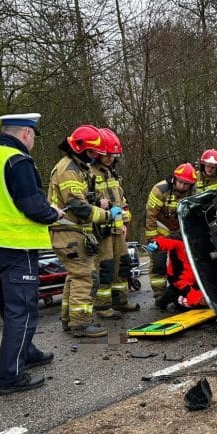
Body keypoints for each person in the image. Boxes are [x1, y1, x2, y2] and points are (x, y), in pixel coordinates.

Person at [0, 113, 64, 395]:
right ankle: (10, 377)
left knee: (10, 305)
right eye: (33, 137)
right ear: (26, 134)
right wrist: (52, 213)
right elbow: (32, 206)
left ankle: (27, 352)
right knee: (23, 310)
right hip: (16, 245)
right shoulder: (17, 161)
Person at [48, 125, 119, 338]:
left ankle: (69, 319)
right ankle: (80, 323)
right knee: (86, 276)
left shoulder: (77, 167)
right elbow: (77, 205)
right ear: (80, 149)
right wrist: (106, 215)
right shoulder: (69, 169)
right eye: (92, 152)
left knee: (76, 275)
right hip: (69, 232)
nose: (95, 156)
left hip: (68, 231)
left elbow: (82, 198)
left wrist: (97, 200)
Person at [90, 127, 139, 319]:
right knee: (106, 267)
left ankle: (120, 301)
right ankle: (103, 306)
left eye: (113, 155)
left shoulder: (112, 173)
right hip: (101, 230)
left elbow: (121, 201)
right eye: (107, 155)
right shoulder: (90, 173)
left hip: (118, 229)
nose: (110, 158)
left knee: (123, 265)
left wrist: (125, 219)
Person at [145, 163, 197, 302]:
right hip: (160, 228)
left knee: (180, 264)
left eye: (187, 184)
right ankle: (159, 294)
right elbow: (151, 215)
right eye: (180, 182)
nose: (183, 187)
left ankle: (178, 291)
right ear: (174, 179)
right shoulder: (160, 190)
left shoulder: (194, 192)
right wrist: (152, 239)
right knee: (159, 263)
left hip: (179, 232)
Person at [148, 234, 206, 311]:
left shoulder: (202, 236)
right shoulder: (180, 239)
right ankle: (175, 301)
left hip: (197, 278)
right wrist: (156, 244)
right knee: (197, 301)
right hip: (180, 280)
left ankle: (165, 300)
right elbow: (166, 241)